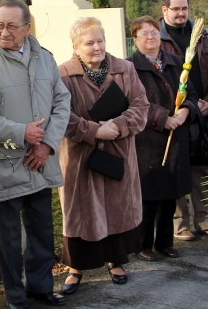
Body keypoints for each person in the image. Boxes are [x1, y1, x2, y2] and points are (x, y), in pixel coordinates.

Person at [0, 0, 71, 309]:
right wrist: (21, 133)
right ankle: (15, 294)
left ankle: (40, 287)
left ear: (27, 28)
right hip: (5, 165)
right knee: (9, 238)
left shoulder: (45, 60)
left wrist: (47, 145)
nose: (3, 32)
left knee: (41, 230)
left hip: (39, 161)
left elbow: (61, 103)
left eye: (12, 26)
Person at [57, 17, 149, 293]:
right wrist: (94, 131)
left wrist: (117, 127)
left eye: (100, 40)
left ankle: (116, 261)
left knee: (116, 207)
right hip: (80, 158)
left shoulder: (125, 69)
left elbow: (141, 106)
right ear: (75, 46)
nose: (96, 47)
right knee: (80, 213)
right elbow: (60, 115)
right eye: (89, 42)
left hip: (117, 152)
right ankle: (75, 268)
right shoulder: (63, 75)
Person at [126, 16, 195, 262]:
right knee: (148, 196)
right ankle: (142, 244)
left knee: (169, 193)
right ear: (135, 39)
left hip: (175, 136)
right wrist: (162, 118)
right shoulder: (129, 67)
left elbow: (189, 93)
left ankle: (165, 242)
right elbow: (133, 103)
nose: (151, 37)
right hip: (147, 139)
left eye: (154, 32)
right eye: (144, 34)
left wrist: (186, 110)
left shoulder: (176, 63)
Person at [158, 0, 208, 241]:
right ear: (164, 10)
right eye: (176, 8)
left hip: (200, 112)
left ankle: (206, 219)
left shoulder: (202, 37)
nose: (181, 13)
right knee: (176, 168)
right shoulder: (158, 38)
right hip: (172, 114)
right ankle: (181, 223)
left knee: (202, 168)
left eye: (185, 8)